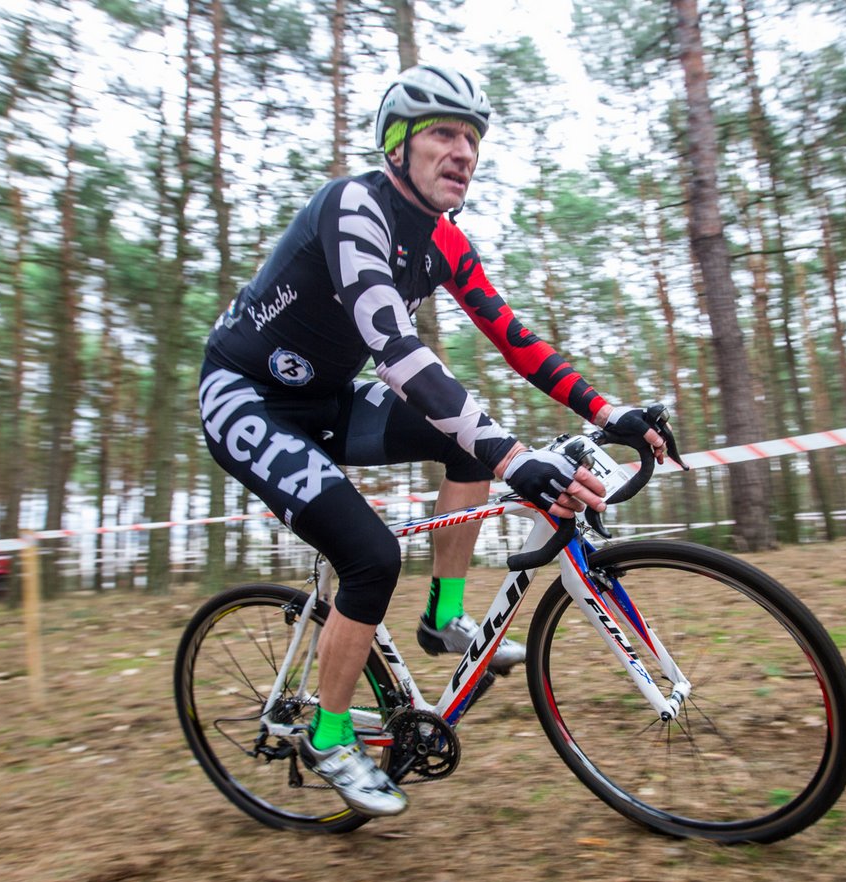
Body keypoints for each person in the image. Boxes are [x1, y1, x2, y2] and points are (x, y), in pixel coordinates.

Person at [199, 64, 670, 817]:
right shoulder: (353, 207)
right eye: (444, 134)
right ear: (397, 146)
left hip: (326, 399)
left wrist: (607, 411)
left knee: (461, 442)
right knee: (371, 557)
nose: (464, 152)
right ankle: (328, 737)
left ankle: (442, 616)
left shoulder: (445, 241)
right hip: (247, 397)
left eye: (473, 139)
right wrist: (512, 458)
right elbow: (395, 350)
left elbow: (516, 340)